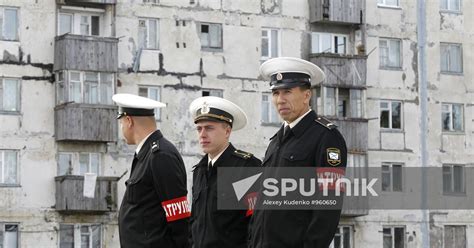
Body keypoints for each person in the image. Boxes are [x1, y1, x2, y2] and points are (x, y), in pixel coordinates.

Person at [249, 57, 347, 248]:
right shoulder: (276, 140)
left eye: (287, 91)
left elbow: (327, 209)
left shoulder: (326, 137)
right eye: (276, 92)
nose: (280, 99)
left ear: (306, 95)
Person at [113, 93, 190, 248]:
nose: (121, 128)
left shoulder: (161, 155)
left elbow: (179, 218)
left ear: (129, 121)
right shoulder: (146, 154)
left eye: (121, 123)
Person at [188, 96, 262, 248]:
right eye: (199, 128)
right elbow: (195, 222)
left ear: (227, 131)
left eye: (209, 128)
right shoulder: (200, 170)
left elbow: (256, 225)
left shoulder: (246, 168)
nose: (202, 134)